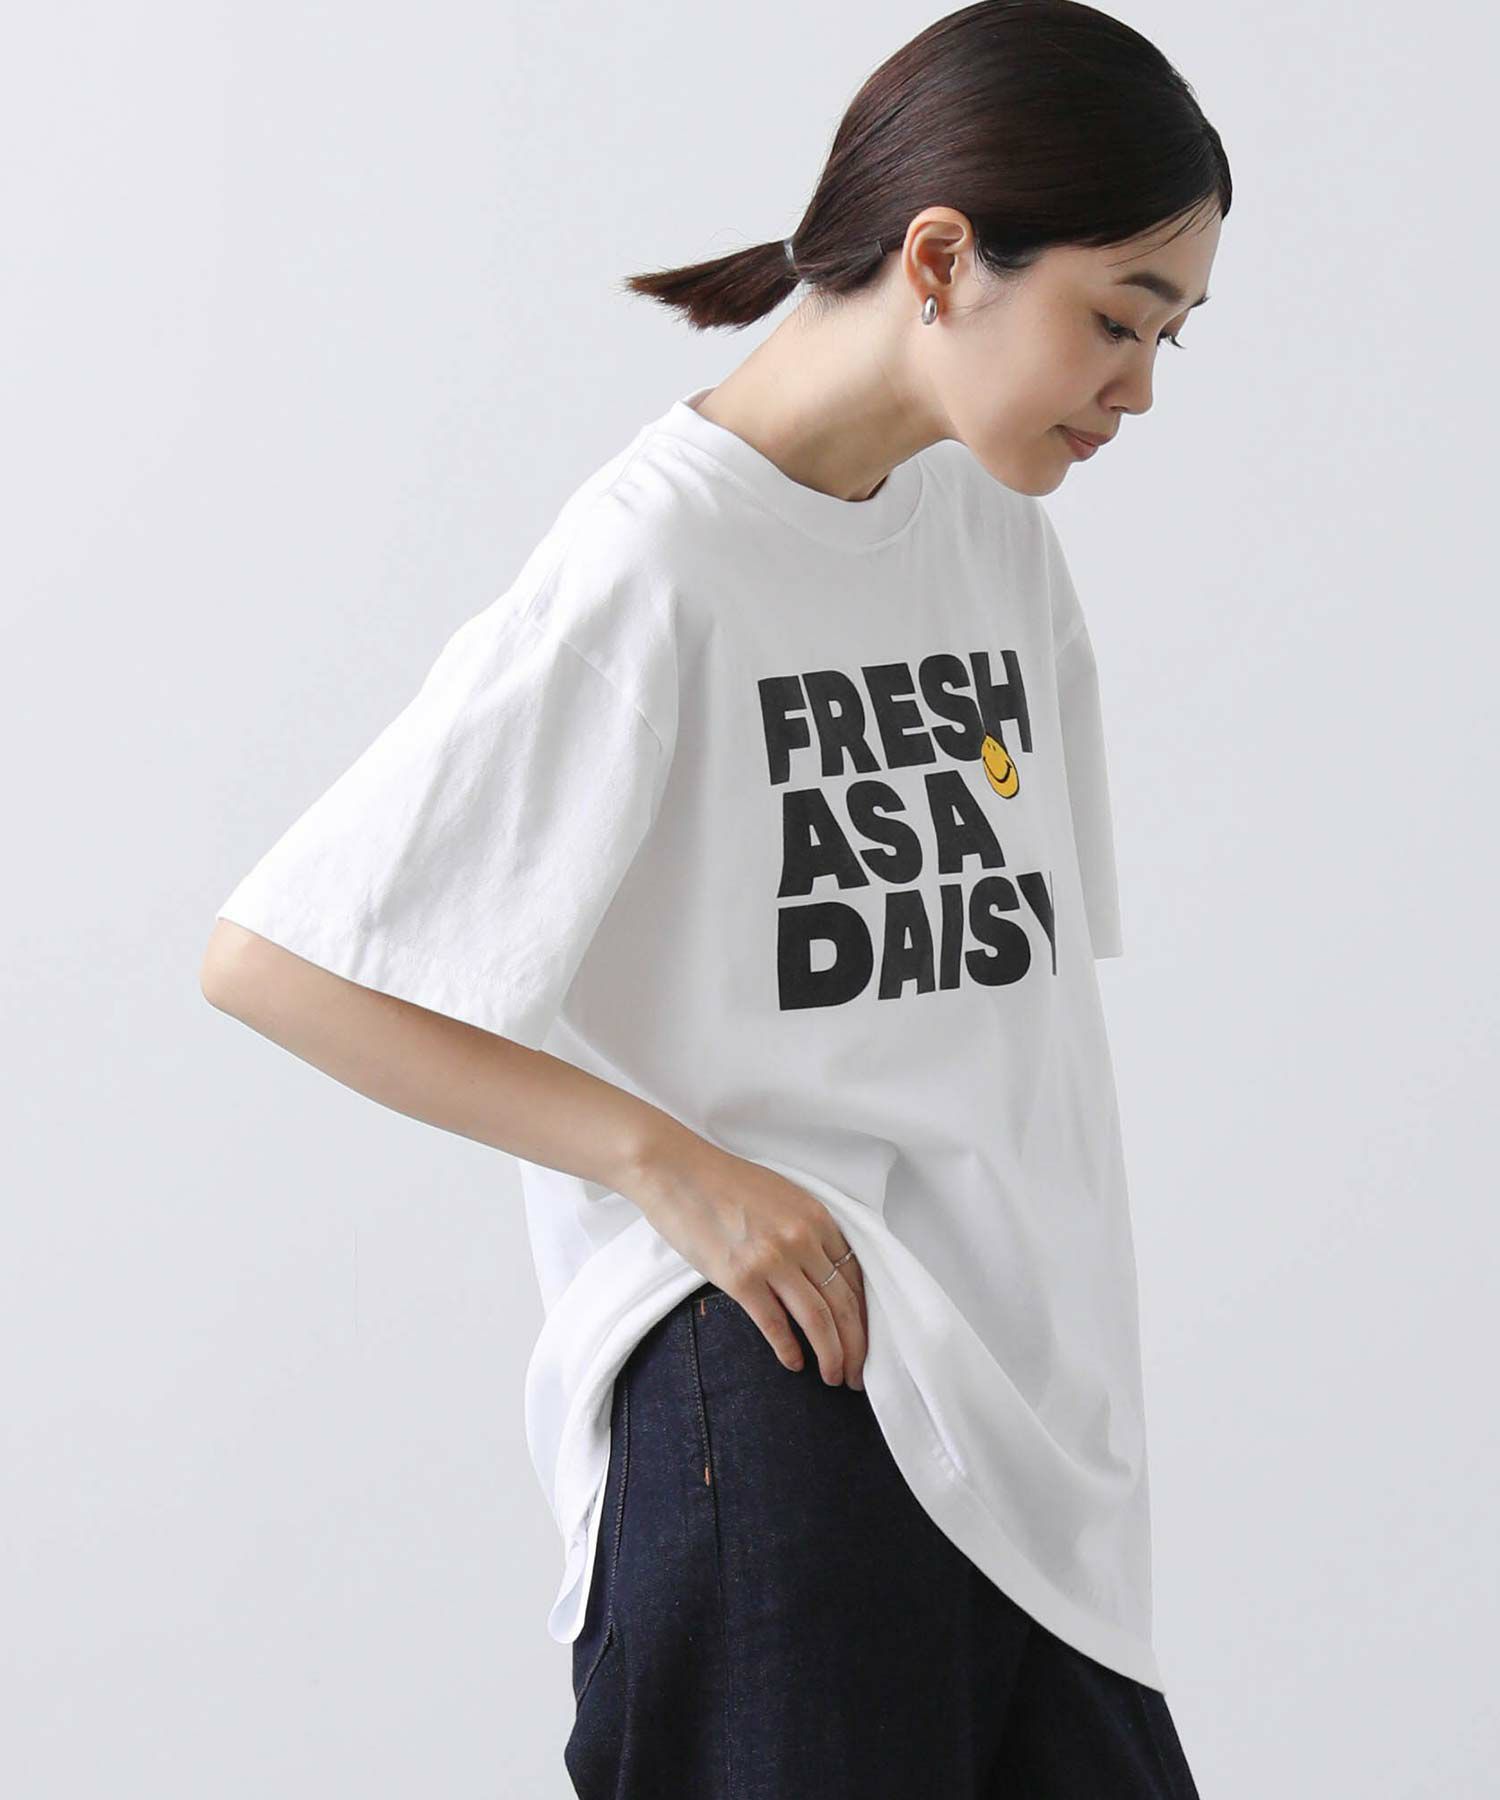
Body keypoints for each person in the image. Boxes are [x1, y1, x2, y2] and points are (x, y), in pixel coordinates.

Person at [201, 1, 1229, 1791]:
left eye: (1168, 338)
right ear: (942, 260)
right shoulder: (658, 559)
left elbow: (1011, 1031)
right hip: (777, 1394)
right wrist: (669, 1167)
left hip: (1023, 1441)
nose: (1138, 388)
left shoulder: (993, 537)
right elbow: (278, 961)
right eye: (1117, 320)